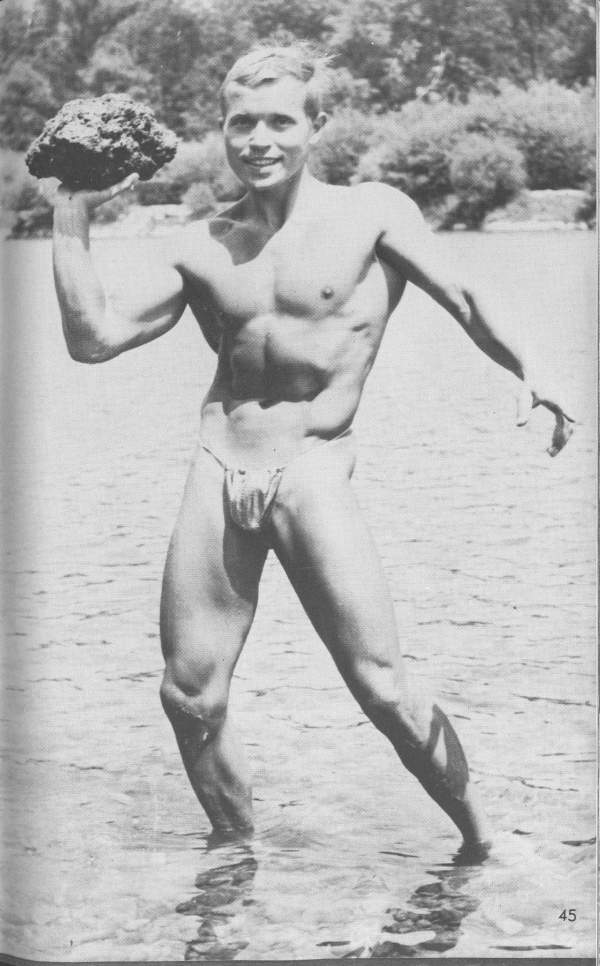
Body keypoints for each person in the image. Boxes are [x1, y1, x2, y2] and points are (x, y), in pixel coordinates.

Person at [52, 44, 574, 859]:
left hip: (313, 464)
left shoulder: (372, 213)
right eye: (241, 124)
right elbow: (93, 340)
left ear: (316, 125)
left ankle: (487, 847)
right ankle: (236, 855)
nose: (259, 140)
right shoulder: (204, 243)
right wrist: (71, 216)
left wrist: (531, 367)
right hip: (217, 462)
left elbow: (467, 295)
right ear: (223, 129)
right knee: (189, 696)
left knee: (381, 687)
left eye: (279, 122)